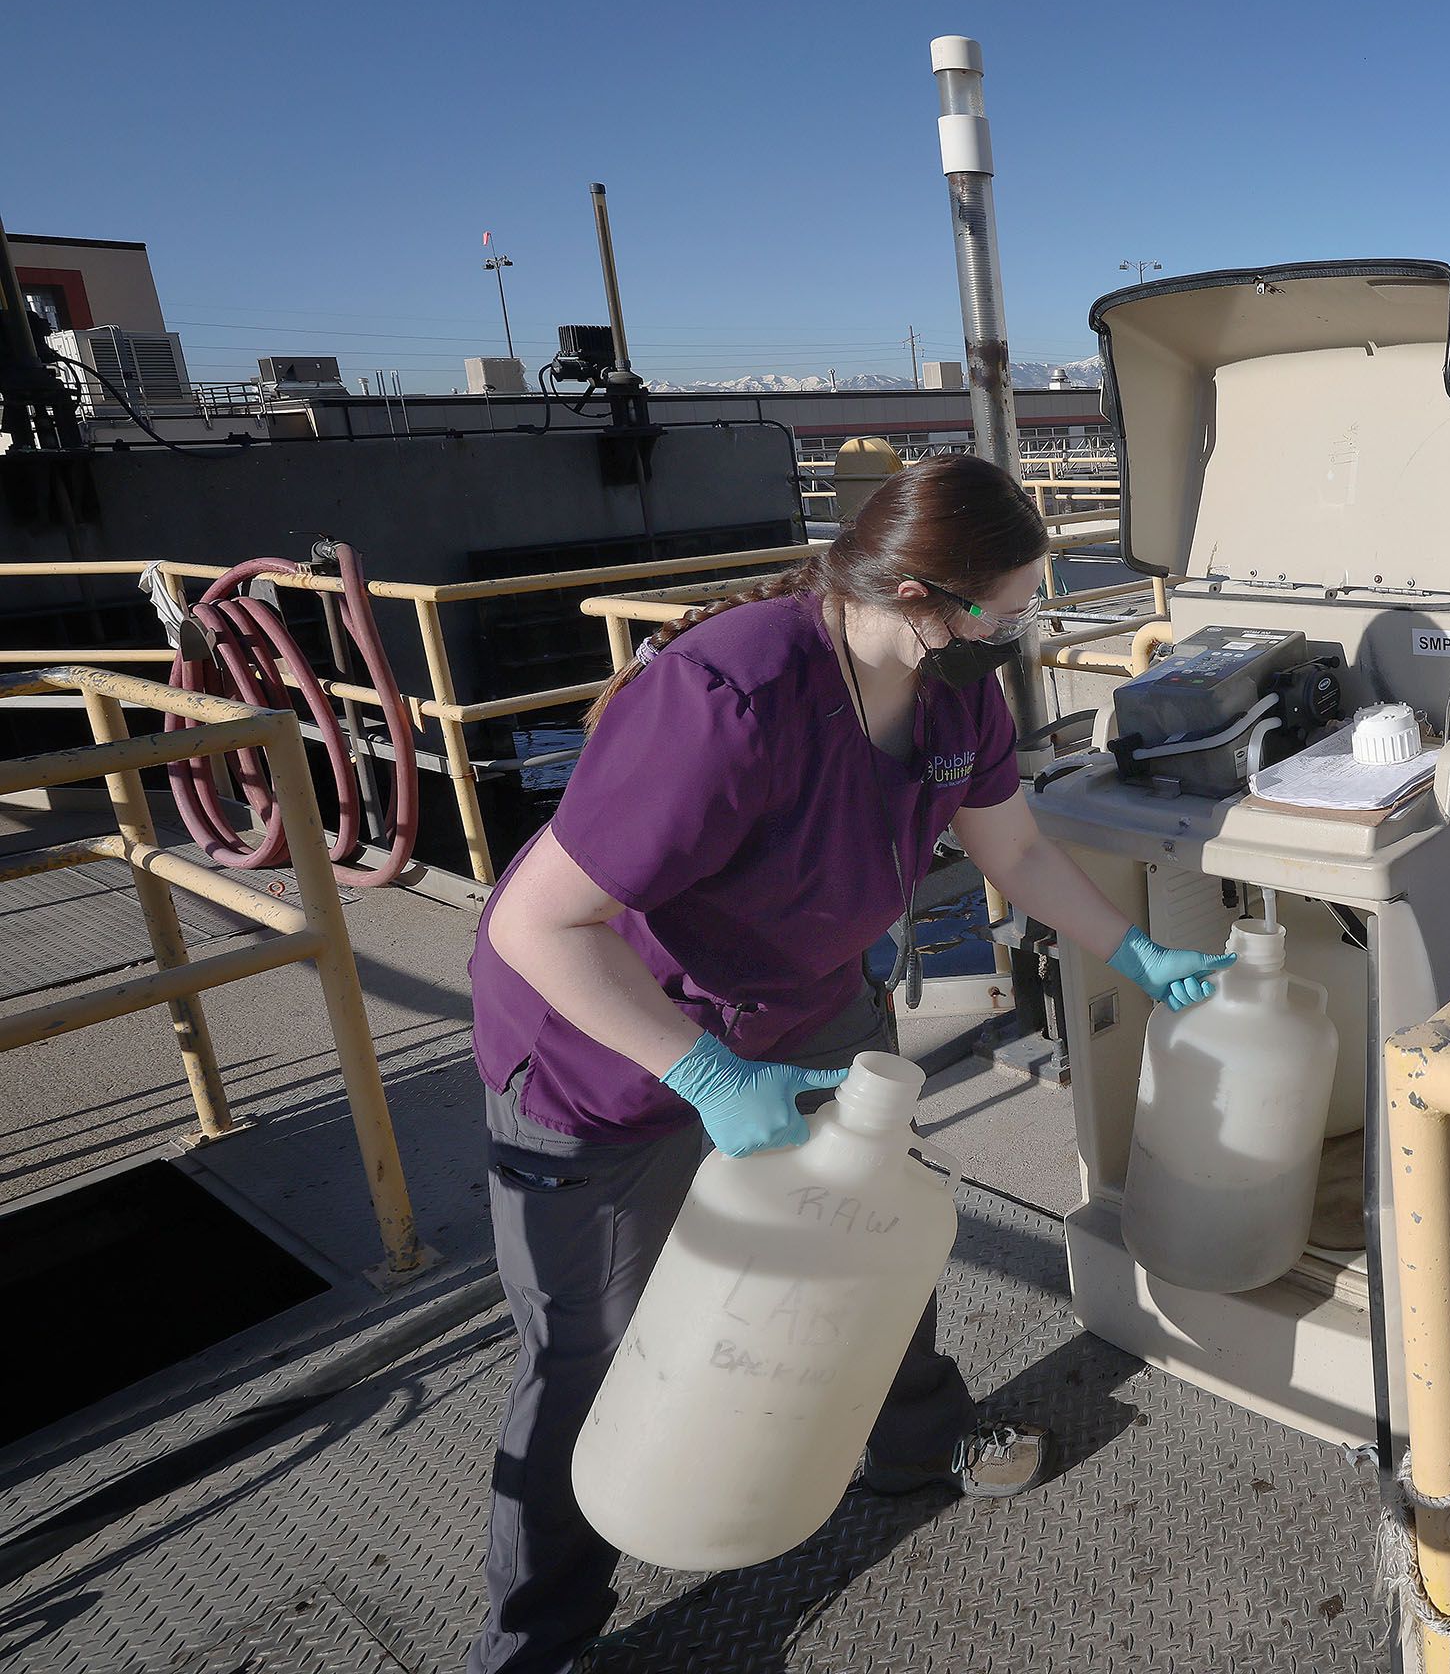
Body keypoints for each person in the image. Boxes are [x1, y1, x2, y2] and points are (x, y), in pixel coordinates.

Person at [465, 455, 1229, 1674]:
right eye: (1006, 606)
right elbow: (537, 927)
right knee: (588, 1347)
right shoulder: (728, 692)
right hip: (601, 1040)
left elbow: (1015, 850)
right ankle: (539, 1642)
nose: (1020, 627)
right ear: (916, 592)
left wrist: (1132, 947)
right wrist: (705, 1078)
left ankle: (916, 1442)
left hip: (801, 1007)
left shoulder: (952, 692)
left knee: (866, 1230)